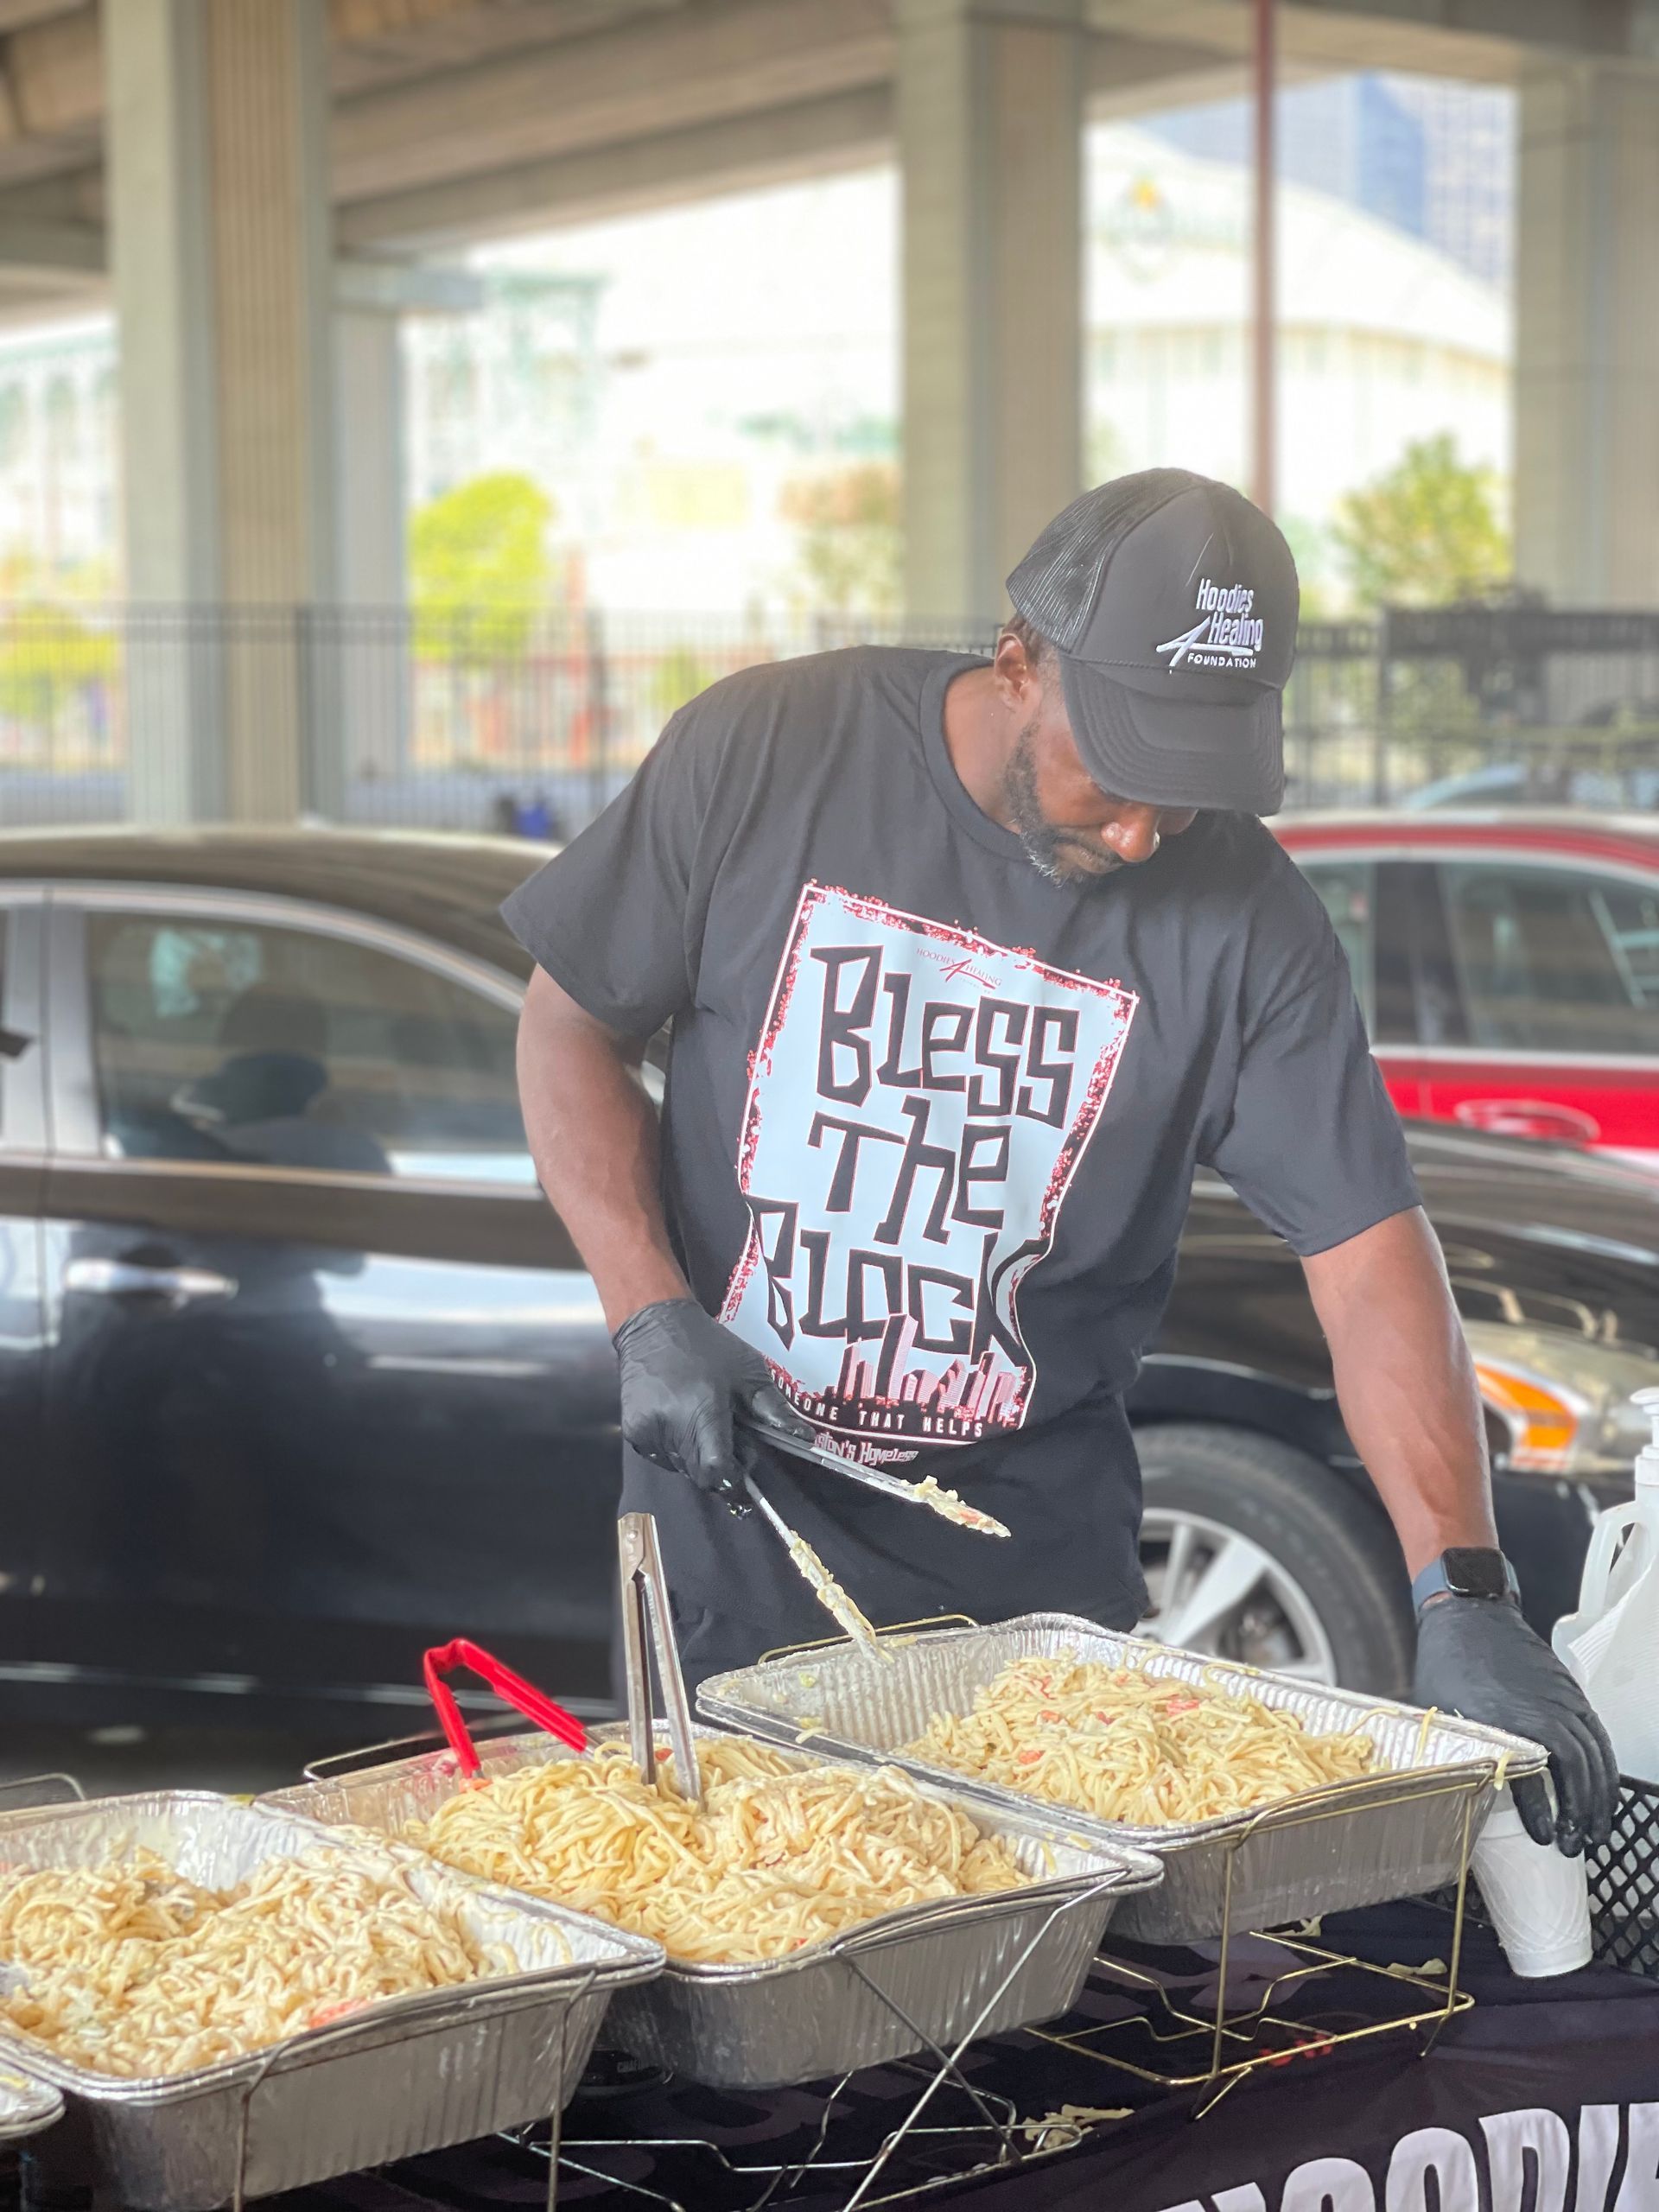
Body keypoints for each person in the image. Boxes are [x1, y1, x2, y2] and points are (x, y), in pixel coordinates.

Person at [506, 467, 1616, 1857]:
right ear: (1019, 659)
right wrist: (649, 1310)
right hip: (737, 1563)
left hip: (1036, 1619)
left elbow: (1366, 1253)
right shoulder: (771, 750)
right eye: (1124, 770)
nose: (1145, 833)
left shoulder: (1251, 924)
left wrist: (1464, 1589)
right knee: (756, 1950)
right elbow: (570, 1026)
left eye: (1190, 791)